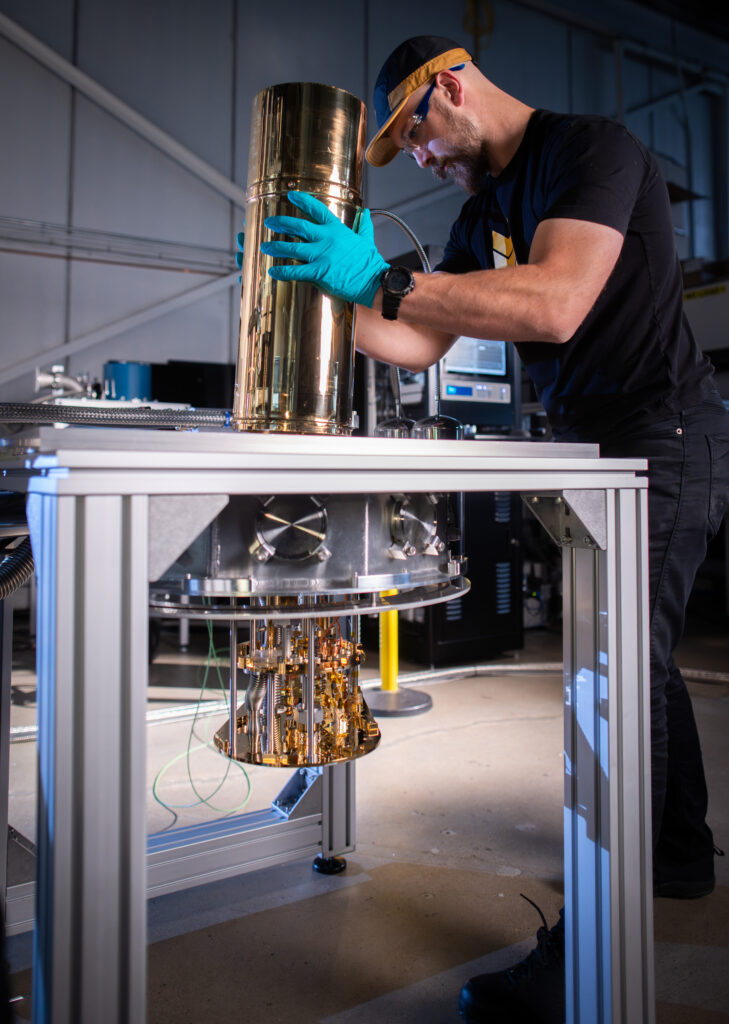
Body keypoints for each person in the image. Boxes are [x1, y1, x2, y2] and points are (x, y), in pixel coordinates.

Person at [256, 34, 729, 1024]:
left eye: (413, 133)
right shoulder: (481, 215)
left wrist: (382, 276)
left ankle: (594, 953)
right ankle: (678, 854)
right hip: (586, 450)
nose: (418, 158)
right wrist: (328, 291)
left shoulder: (588, 151)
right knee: (637, 660)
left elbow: (555, 303)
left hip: (664, 435)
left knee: (614, 675)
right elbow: (420, 342)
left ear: (453, 86)